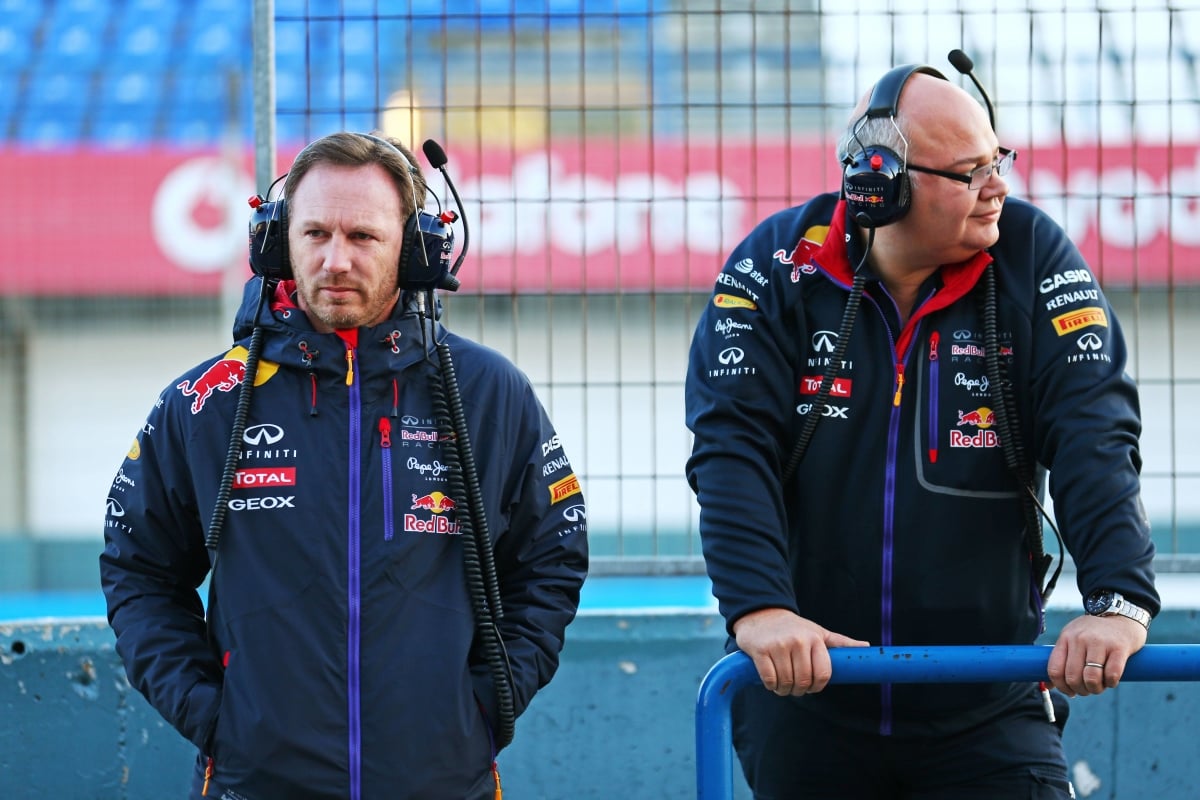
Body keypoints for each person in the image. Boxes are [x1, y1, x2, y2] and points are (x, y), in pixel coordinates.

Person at [685, 63, 1158, 798]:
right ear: (882, 186)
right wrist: (761, 609)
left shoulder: (1034, 256)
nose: (998, 186)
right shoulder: (774, 265)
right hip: (805, 699)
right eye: (972, 171)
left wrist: (1119, 601)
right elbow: (731, 449)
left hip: (990, 705)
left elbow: (1093, 432)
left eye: (999, 160)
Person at [100, 131, 588, 800]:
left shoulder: (489, 393)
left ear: (413, 248)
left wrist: (483, 706)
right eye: (315, 234)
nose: (335, 260)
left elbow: (552, 558)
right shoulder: (204, 402)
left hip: (444, 779)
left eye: (363, 236)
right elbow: (138, 570)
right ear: (278, 242)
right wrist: (215, 717)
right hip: (253, 782)